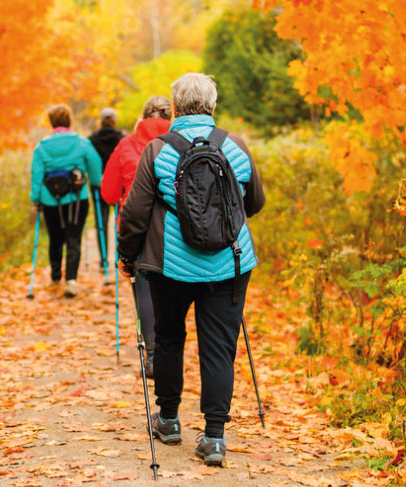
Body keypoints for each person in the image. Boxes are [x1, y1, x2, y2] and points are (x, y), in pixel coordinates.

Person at [117, 74, 265, 466]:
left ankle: (168, 420)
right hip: (230, 264)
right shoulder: (235, 147)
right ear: (213, 107)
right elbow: (254, 203)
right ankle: (214, 437)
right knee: (220, 347)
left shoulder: (156, 151)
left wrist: (128, 257)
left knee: (168, 337)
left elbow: (135, 214)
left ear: (176, 108)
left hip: (170, 266)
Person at [101, 96, 172, 378]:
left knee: (143, 285)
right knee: (173, 289)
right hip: (174, 226)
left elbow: (107, 193)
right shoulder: (181, 141)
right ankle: (171, 351)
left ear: (142, 117)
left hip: (136, 228)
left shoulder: (126, 145)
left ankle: (154, 354)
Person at [31, 104, 102, 297]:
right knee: (73, 236)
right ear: (69, 121)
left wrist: (36, 199)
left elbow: (37, 174)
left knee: (55, 238)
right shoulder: (81, 142)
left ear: (52, 122)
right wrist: (96, 183)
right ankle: (71, 280)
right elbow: (95, 165)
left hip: (50, 200)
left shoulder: (42, 146)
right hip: (77, 198)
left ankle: (55, 278)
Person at [89, 108, 124, 273]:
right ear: (114, 121)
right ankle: (120, 257)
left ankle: (104, 261)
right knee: (120, 222)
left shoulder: (92, 139)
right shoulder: (121, 138)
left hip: (98, 185)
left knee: (101, 223)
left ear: (101, 121)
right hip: (118, 183)